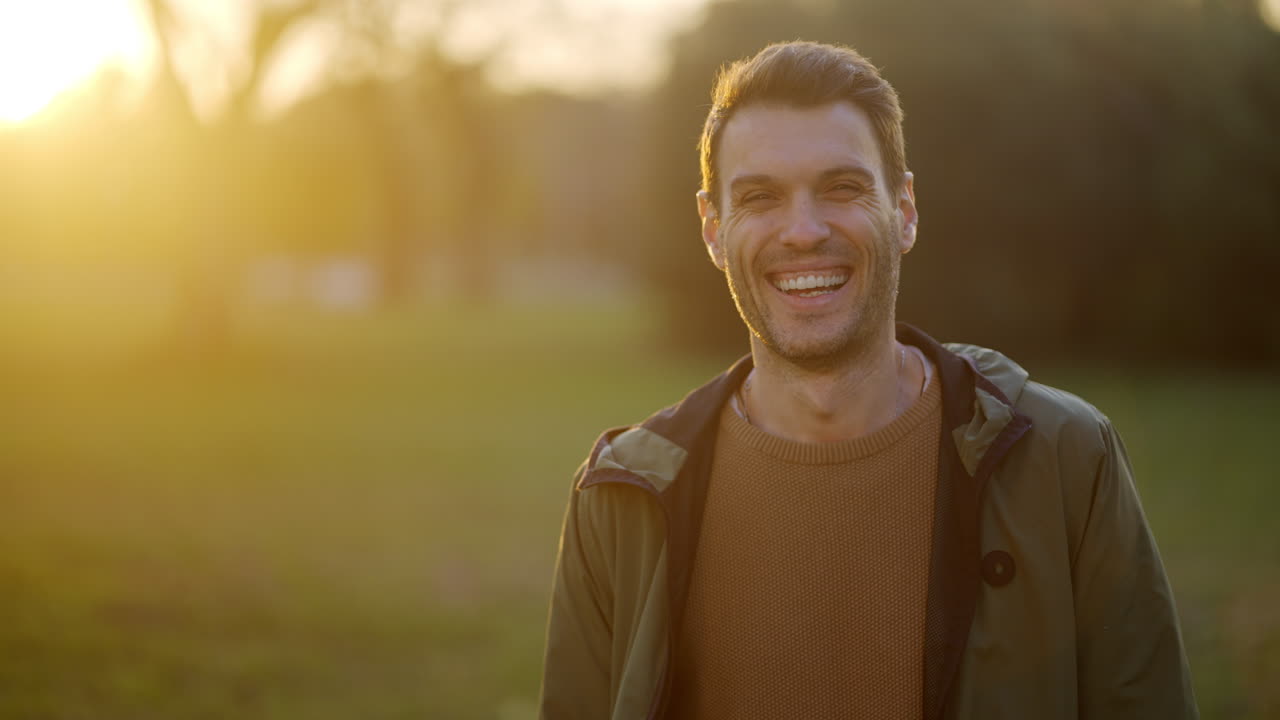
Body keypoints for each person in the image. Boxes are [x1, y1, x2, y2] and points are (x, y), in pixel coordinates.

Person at [539, 40, 1197, 720]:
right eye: (760, 197)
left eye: (842, 188)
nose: (803, 231)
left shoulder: (1067, 461)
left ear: (904, 209)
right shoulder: (621, 500)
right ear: (713, 228)